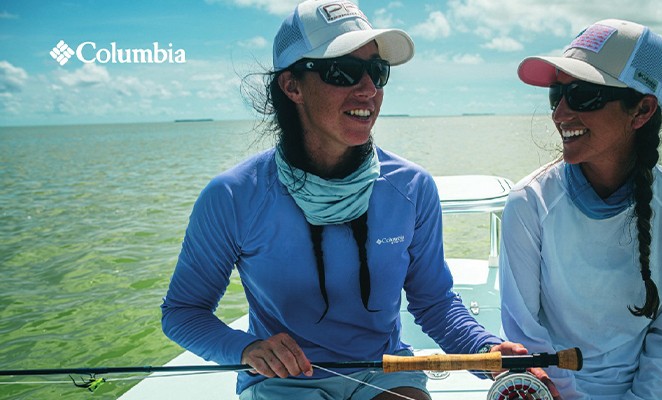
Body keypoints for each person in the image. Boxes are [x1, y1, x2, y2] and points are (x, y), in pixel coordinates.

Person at [161, 1, 530, 399]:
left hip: (385, 372)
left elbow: (434, 302)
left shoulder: (412, 188)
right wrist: (246, 348)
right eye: (344, 71)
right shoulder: (233, 196)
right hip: (283, 382)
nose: (369, 89)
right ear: (292, 86)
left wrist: (485, 351)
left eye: (377, 71)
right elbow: (183, 311)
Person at [499, 19, 662, 399]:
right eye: (556, 94)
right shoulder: (528, 202)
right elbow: (527, 337)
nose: (559, 113)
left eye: (582, 94)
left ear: (642, 110)